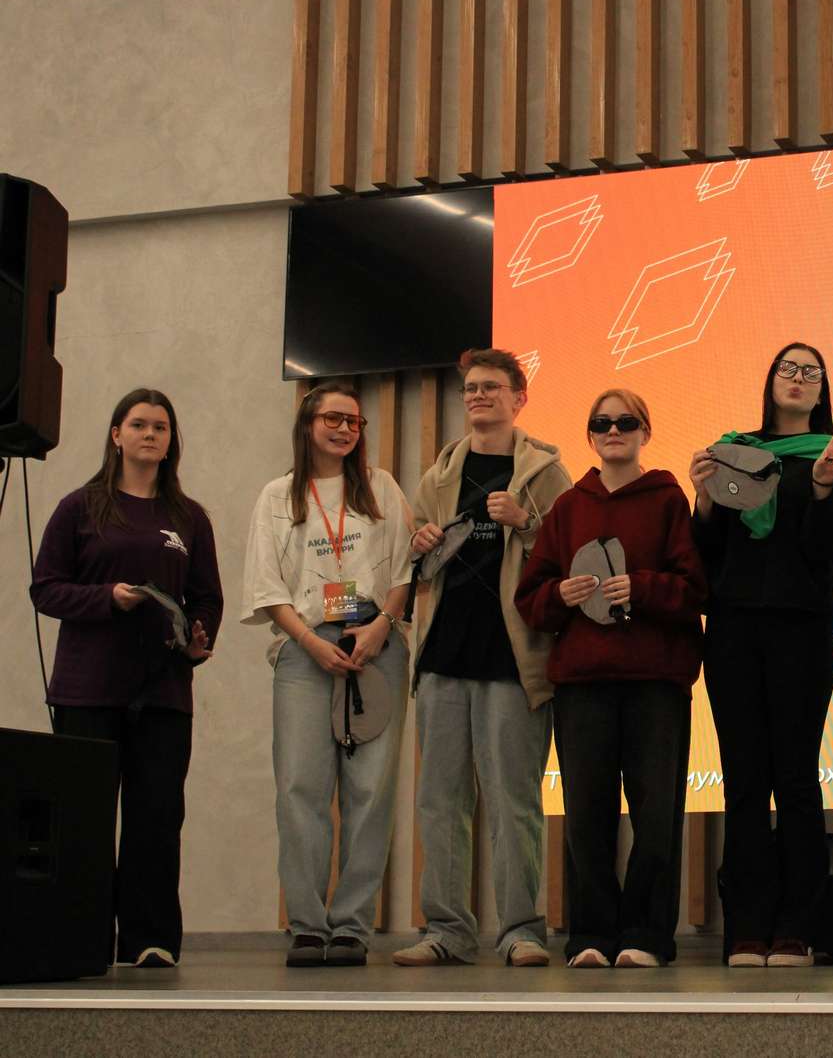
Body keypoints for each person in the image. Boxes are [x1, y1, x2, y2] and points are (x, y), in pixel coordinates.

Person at [31, 389, 223, 969]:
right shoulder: (79, 507)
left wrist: (198, 637)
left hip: (163, 693)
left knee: (156, 820)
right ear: (116, 435)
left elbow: (207, 598)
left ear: (170, 441)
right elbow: (46, 589)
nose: (149, 434)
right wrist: (106, 598)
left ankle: (148, 940)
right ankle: (80, 941)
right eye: (138, 424)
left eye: (160, 427)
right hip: (88, 690)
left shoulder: (188, 517)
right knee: (85, 820)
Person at [394, 348, 571, 969]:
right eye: (470, 387)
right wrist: (419, 544)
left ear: (519, 398)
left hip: (513, 661)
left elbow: (570, 557)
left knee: (513, 802)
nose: (478, 396)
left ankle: (521, 930)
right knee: (439, 802)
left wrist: (525, 521)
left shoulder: (546, 472)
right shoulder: (439, 474)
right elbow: (414, 565)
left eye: (491, 386)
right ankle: (447, 931)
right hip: (443, 656)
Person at [517, 389, 707, 968]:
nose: (614, 430)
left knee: (656, 814)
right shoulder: (568, 507)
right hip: (584, 683)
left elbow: (696, 589)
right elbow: (530, 598)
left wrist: (641, 588)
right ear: (590, 436)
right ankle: (592, 935)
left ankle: (648, 936)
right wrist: (561, 593)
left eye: (626, 421)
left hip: (656, 680)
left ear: (645, 431)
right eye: (602, 423)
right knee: (586, 814)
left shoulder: (669, 499)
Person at [688, 342, 833, 968]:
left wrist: (822, 489)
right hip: (733, 628)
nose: (798, 379)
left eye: (811, 372)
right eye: (789, 368)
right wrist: (705, 499)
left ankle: (796, 927)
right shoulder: (733, 449)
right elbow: (708, 552)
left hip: (801, 631)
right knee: (743, 781)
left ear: (822, 391)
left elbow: (823, 555)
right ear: (771, 381)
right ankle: (746, 926)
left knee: (795, 779)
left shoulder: (829, 458)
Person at [242, 382, 413, 968]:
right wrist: (311, 642)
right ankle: (308, 927)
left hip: (375, 646)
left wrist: (382, 627)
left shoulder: (381, 487)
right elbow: (266, 586)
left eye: (354, 421)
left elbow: (405, 571)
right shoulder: (277, 495)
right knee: (300, 788)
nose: (344, 429)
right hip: (305, 650)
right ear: (308, 424)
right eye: (332, 419)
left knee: (371, 792)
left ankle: (352, 928)